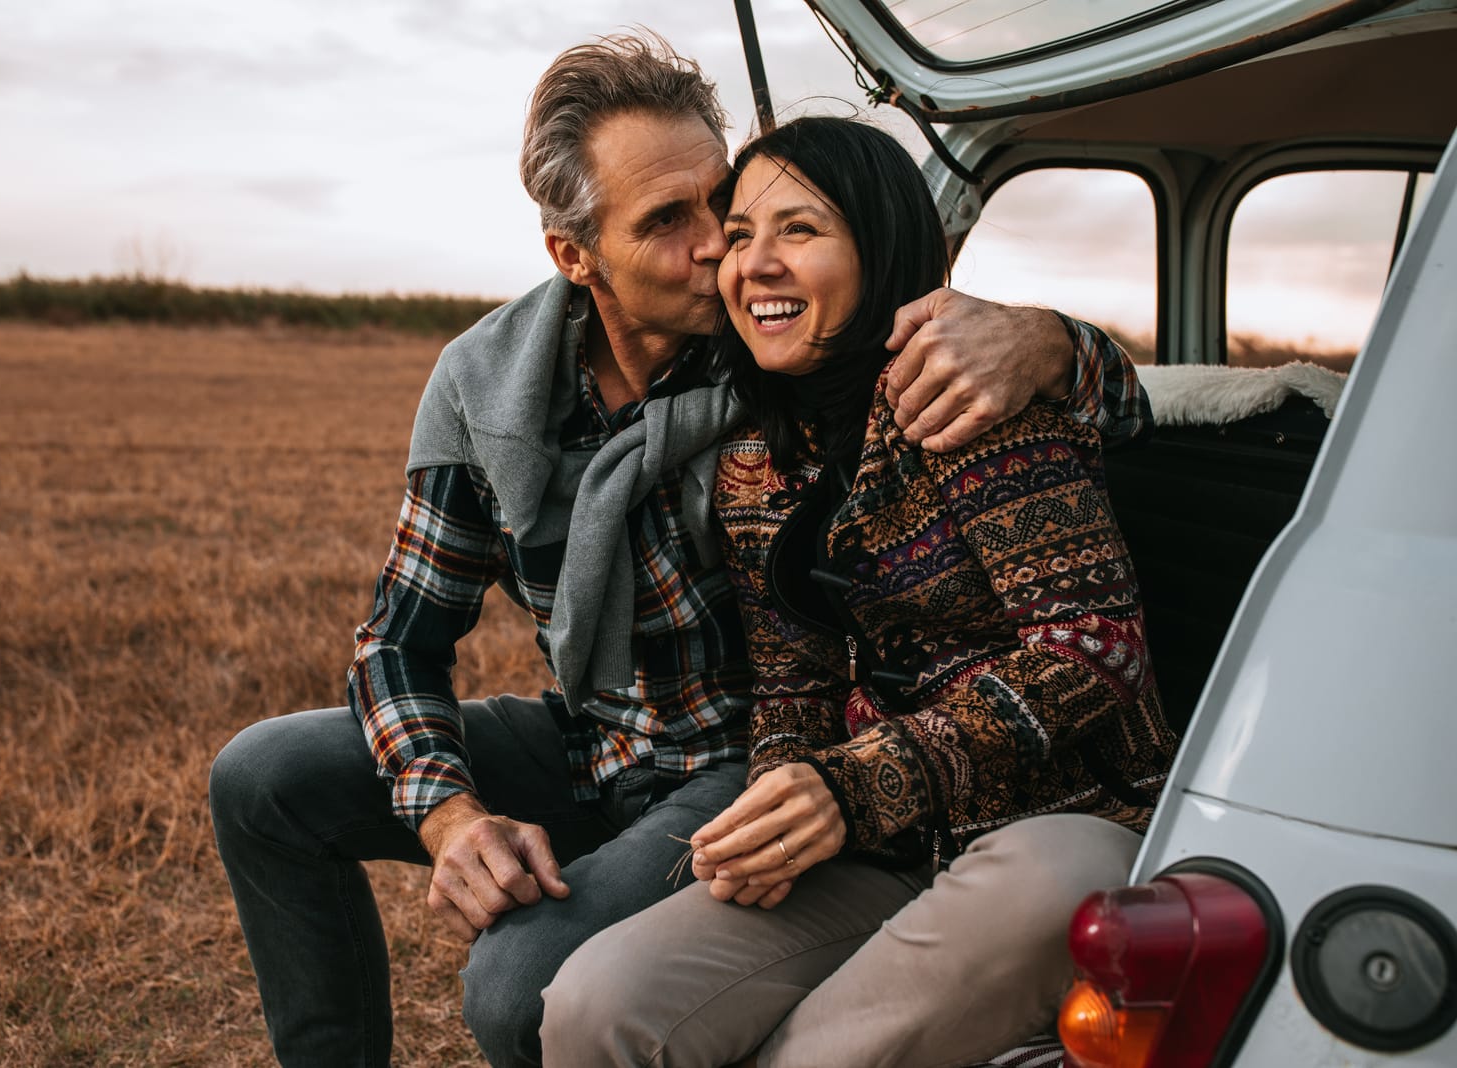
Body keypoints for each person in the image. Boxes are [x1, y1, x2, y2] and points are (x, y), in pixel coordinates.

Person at [208, 35, 1151, 1068]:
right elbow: (399, 641)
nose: (722, 249)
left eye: (725, 203)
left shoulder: (785, 351)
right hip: (600, 735)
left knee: (518, 987)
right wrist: (449, 817)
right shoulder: (488, 387)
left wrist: (1056, 342)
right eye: (672, 222)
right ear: (575, 257)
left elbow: (936, 348)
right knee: (261, 778)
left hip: (732, 759)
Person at [538, 116, 1179, 1067]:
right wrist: (783, 804)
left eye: (799, 230)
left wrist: (860, 782)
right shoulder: (755, 460)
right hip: (883, 847)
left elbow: (1094, 650)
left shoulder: (970, 400)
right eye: (741, 235)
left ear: (879, 248)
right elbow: (792, 679)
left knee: (1049, 884)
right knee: (596, 1007)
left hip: (1060, 828)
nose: (753, 263)